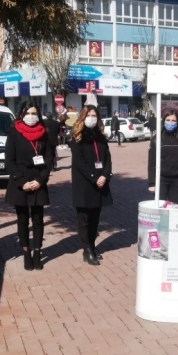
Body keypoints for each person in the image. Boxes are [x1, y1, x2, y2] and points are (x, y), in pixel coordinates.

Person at [4, 101, 52, 271]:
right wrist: (21, 181)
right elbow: (9, 161)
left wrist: (40, 180)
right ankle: (26, 254)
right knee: (23, 220)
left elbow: (49, 159)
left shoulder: (44, 133)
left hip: (38, 181)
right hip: (21, 182)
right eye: (28, 113)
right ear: (22, 115)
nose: (31, 117)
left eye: (34, 113)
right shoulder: (14, 133)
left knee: (38, 220)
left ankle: (37, 253)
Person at [70, 105, 113, 266]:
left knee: (95, 219)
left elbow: (107, 158)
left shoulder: (101, 137)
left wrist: (105, 175)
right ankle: (86, 249)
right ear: (83, 117)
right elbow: (79, 162)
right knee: (84, 219)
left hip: (100, 183)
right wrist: (95, 177)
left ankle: (92, 246)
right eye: (89, 115)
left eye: (95, 116)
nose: (92, 119)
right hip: (84, 183)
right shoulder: (77, 137)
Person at [148, 110, 178, 204]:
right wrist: (152, 183)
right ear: (163, 121)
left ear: (177, 123)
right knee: (160, 207)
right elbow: (151, 163)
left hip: (177, 180)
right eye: (168, 120)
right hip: (161, 180)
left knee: (174, 208)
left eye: (173, 121)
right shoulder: (156, 139)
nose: (170, 123)